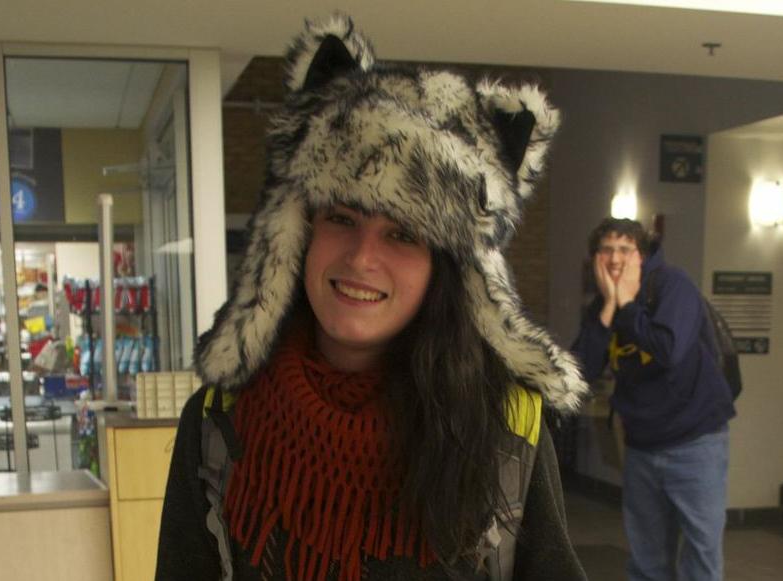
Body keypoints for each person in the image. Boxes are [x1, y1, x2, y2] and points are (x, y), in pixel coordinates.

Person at [155, 14, 589, 581]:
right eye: (341, 218)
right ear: (300, 233)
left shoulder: (504, 428)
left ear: (447, 268)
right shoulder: (218, 425)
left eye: (403, 233)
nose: (362, 258)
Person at [571, 217, 736, 581]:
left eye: (624, 250)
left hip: (696, 442)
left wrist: (628, 306)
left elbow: (668, 350)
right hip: (643, 446)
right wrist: (609, 309)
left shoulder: (673, 286)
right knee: (646, 562)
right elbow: (580, 370)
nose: (615, 259)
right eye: (606, 250)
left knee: (700, 558)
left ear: (641, 255)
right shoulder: (603, 303)